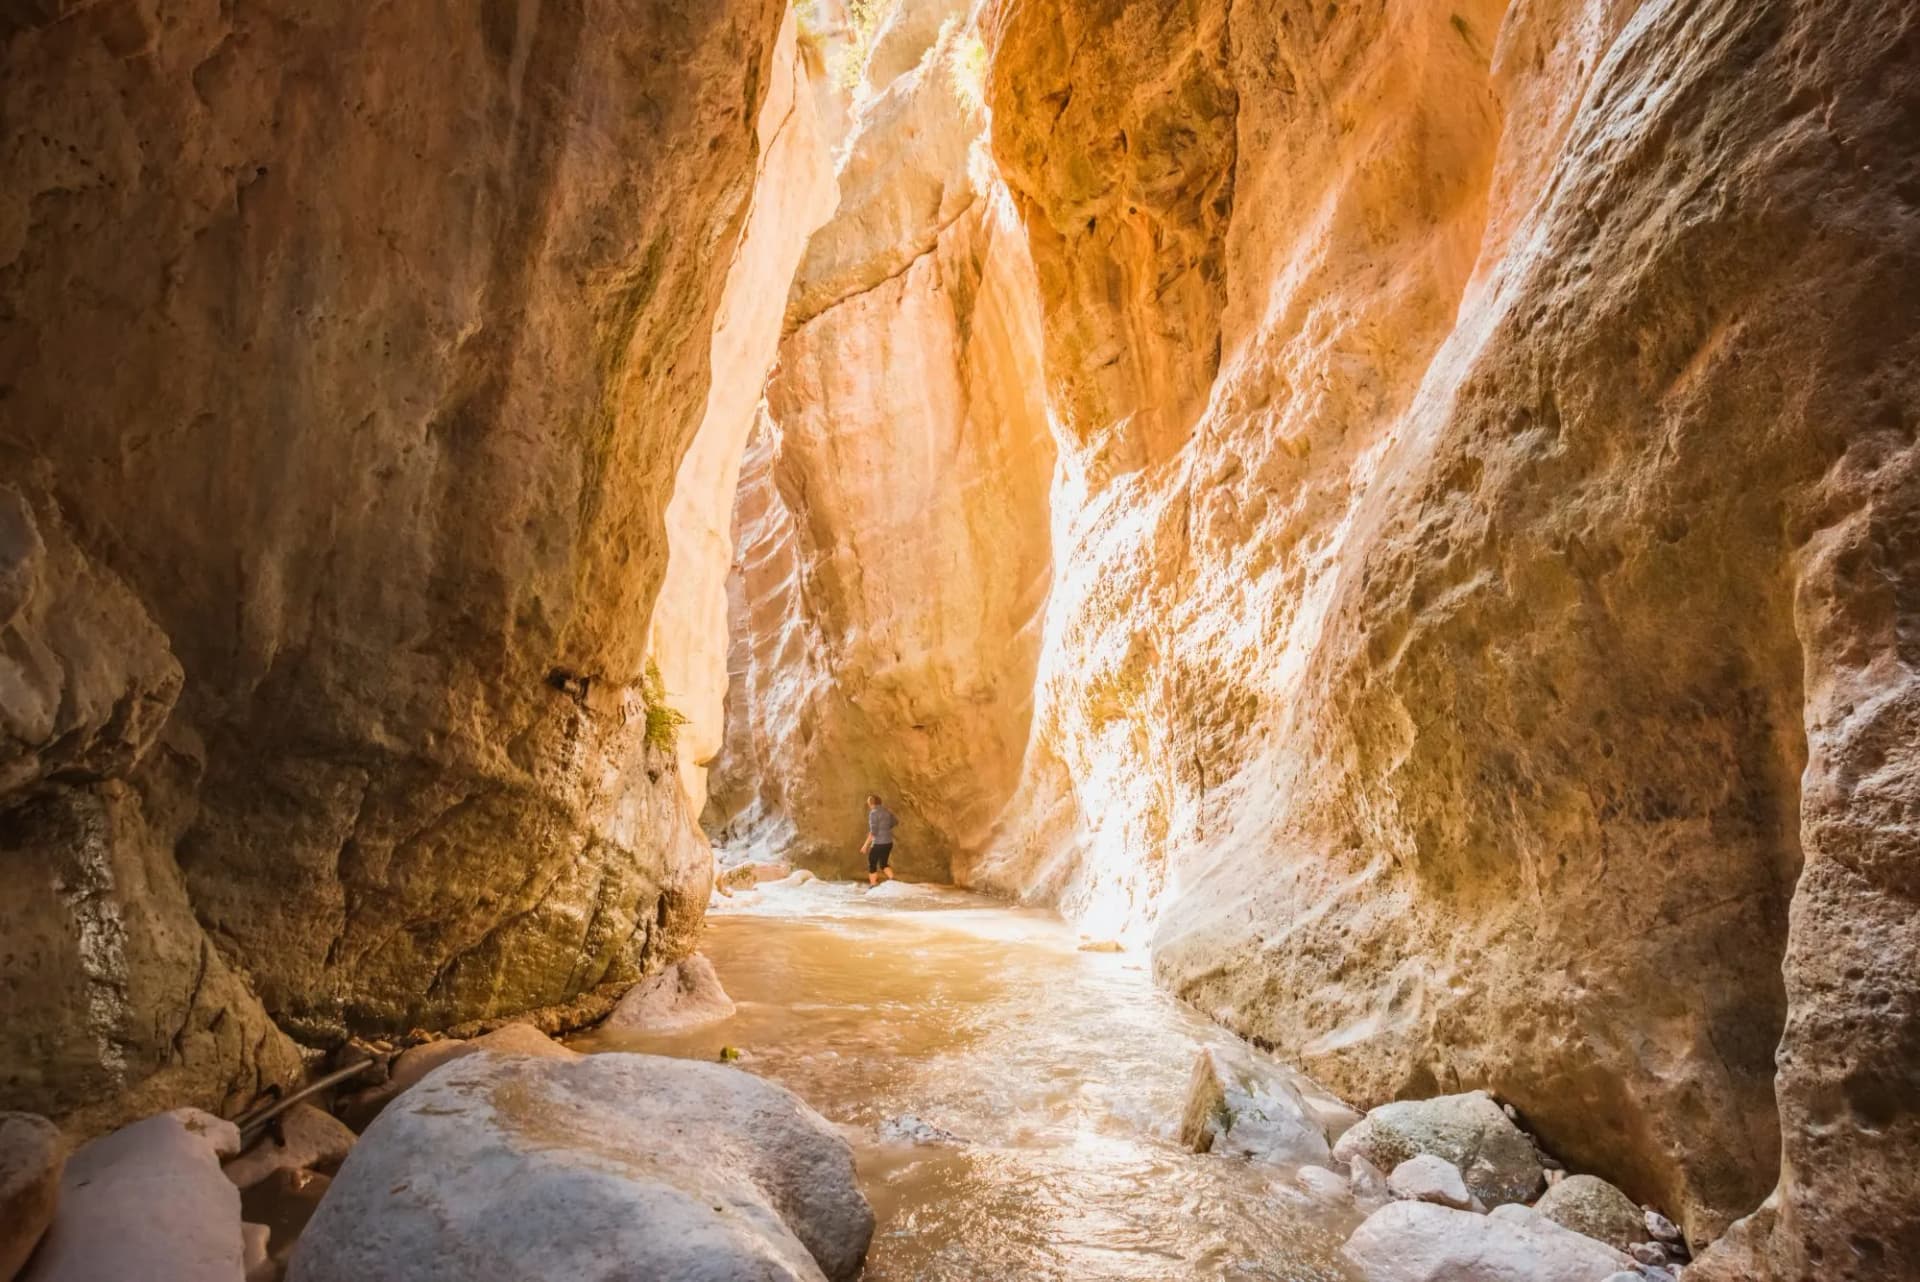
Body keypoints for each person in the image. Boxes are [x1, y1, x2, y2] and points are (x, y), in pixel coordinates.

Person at [861, 793, 897, 886]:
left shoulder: (873, 813)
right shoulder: (887, 811)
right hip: (888, 842)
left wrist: (865, 846)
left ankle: (873, 885)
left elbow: (873, 832)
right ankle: (893, 881)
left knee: (872, 863)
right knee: (883, 864)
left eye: (869, 801)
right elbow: (895, 822)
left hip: (878, 843)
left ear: (871, 803)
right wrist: (885, 828)